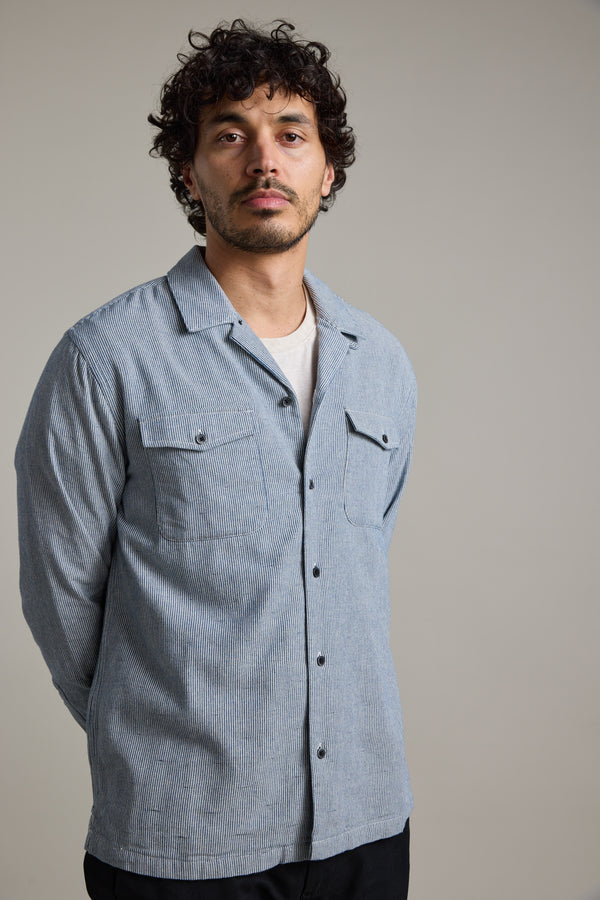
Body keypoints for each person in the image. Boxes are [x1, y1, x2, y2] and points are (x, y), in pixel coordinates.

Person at [15, 19, 416, 900]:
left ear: (328, 170)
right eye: (229, 134)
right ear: (188, 173)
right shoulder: (106, 358)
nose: (263, 159)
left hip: (366, 823)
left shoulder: (381, 363)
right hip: (181, 837)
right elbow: (61, 602)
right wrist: (158, 729)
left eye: (291, 135)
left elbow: (358, 563)